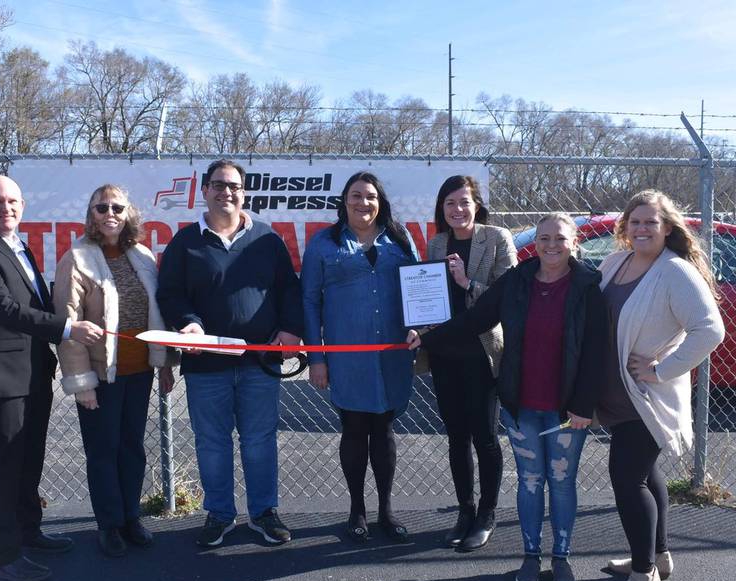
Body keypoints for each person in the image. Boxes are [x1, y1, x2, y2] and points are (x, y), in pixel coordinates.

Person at [408, 213, 606, 581]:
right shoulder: (517, 281)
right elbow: (476, 319)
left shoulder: (587, 287)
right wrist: (428, 339)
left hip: (567, 410)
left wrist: (585, 405)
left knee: (561, 483)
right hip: (522, 405)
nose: (550, 245)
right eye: (544, 237)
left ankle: (561, 557)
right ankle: (531, 555)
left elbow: (596, 351)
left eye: (559, 239)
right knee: (531, 482)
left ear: (574, 243)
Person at [0, 176, 103, 581]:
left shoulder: (18, 246)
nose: (7, 208)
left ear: (23, 204)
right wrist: (69, 328)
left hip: (34, 373)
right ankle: (5, 555)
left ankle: (29, 532)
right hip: (2, 379)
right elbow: (4, 309)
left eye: (13, 201)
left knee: (29, 457)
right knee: (4, 463)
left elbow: (33, 301)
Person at [156, 159, 303, 547]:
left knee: (259, 441)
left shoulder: (269, 239)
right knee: (212, 443)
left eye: (234, 186)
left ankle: (263, 514)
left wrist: (289, 330)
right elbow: (170, 293)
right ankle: (219, 514)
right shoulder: (185, 243)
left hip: (260, 365)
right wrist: (187, 321)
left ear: (244, 193)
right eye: (218, 185)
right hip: (206, 366)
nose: (227, 192)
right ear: (204, 191)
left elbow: (289, 290)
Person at [598, 191, 724, 581]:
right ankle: (660, 555)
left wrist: (661, 368)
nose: (642, 229)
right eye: (635, 221)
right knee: (647, 475)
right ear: (625, 226)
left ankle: (643, 573)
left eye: (651, 222)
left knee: (627, 480)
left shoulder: (675, 272)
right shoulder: (616, 262)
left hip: (647, 394)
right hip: (616, 393)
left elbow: (710, 330)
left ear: (668, 228)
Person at [53, 184, 176, 558]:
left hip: (140, 371)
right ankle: (108, 524)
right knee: (103, 450)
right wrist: (82, 383)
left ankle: (130, 517)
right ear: (91, 215)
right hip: (100, 377)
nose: (109, 214)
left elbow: (161, 313)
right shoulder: (76, 258)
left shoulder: (141, 255)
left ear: (128, 214)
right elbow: (67, 326)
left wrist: (166, 363)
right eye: (101, 207)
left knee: (131, 448)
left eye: (117, 207)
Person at [301, 171, 418, 543]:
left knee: (384, 430)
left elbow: (419, 287)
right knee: (353, 430)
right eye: (355, 196)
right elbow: (309, 301)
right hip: (347, 358)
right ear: (344, 201)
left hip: (392, 356)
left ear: (379, 201)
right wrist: (316, 358)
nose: (362, 203)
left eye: (369, 196)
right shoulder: (323, 244)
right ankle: (357, 510)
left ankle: (385, 510)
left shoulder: (400, 240)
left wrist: (422, 327)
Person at [425, 175, 516, 551]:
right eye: (450, 203)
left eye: (464, 202)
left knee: (485, 435)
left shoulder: (496, 238)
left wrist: (466, 282)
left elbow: (507, 296)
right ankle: (464, 510)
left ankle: (487, 513)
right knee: (456, 436)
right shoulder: (436, 243)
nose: (457, 209)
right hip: (446, 354)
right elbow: (429, 296)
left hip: (483, 354)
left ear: (477, 204)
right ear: (441, 209)